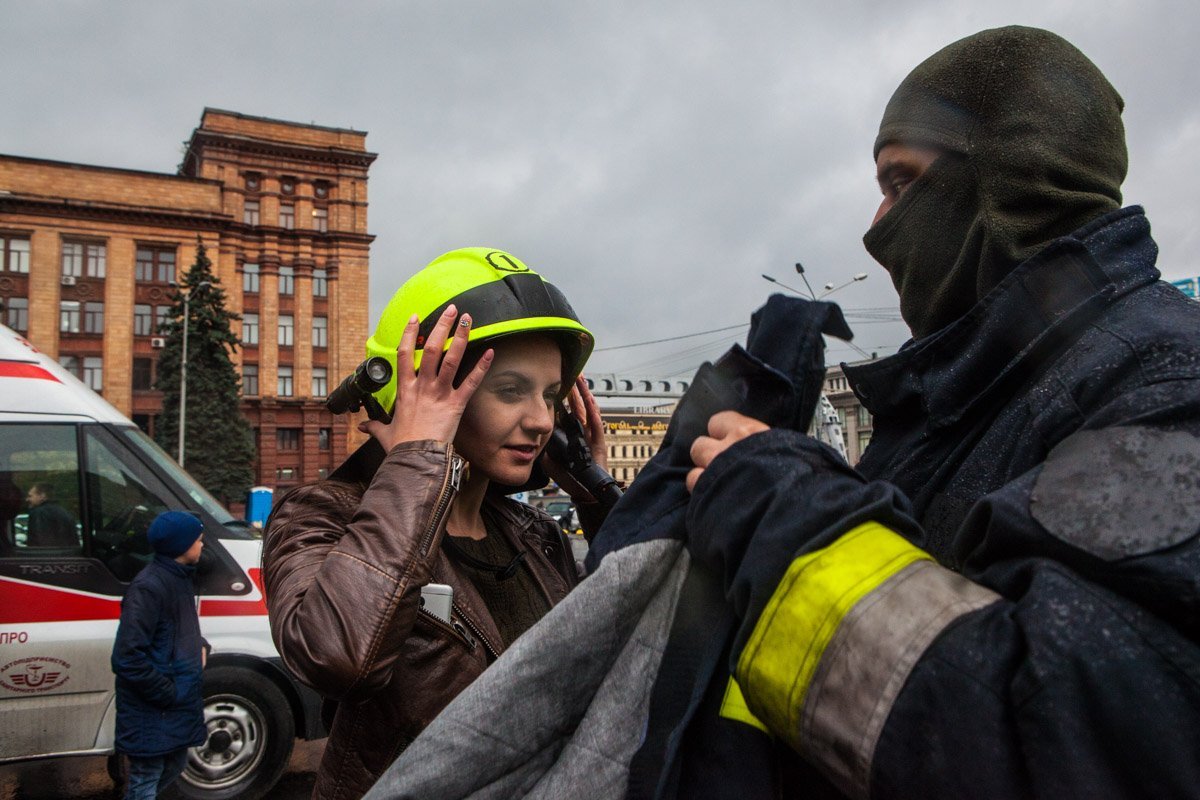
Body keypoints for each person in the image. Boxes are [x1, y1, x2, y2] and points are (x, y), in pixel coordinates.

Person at [683, 26, 1200, 798]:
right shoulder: (979, 395)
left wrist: (779, 515)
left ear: (1011, 172)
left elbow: (1079, 747)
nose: (876, 225)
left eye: (900, 181)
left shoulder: (1163, 379)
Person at [263, 247, 611, 800]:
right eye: (511, 391)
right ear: (420, 392)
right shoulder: (321, 516)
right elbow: (338, 657)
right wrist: (420, 455)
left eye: (550, 397)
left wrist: (598, 497)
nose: (543, 421)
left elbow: (622, 650)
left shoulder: (535, 534)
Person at [111, 511, 209, 800]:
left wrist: (201, 646)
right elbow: (127, 657)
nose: (202, 546)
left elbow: (174, 630)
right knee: (146, 777)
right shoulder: (149, 587)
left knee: (175, 765)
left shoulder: (178, 578)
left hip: (171, 707)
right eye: (199, 541)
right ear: (182, 546)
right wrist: (170, 692)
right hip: (153, 708)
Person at [25, 481, 77, 549]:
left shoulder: (39, 513)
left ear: (42, 496)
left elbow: (40, 541)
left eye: (30, 496)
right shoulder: (65, 512)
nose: (27, 499)